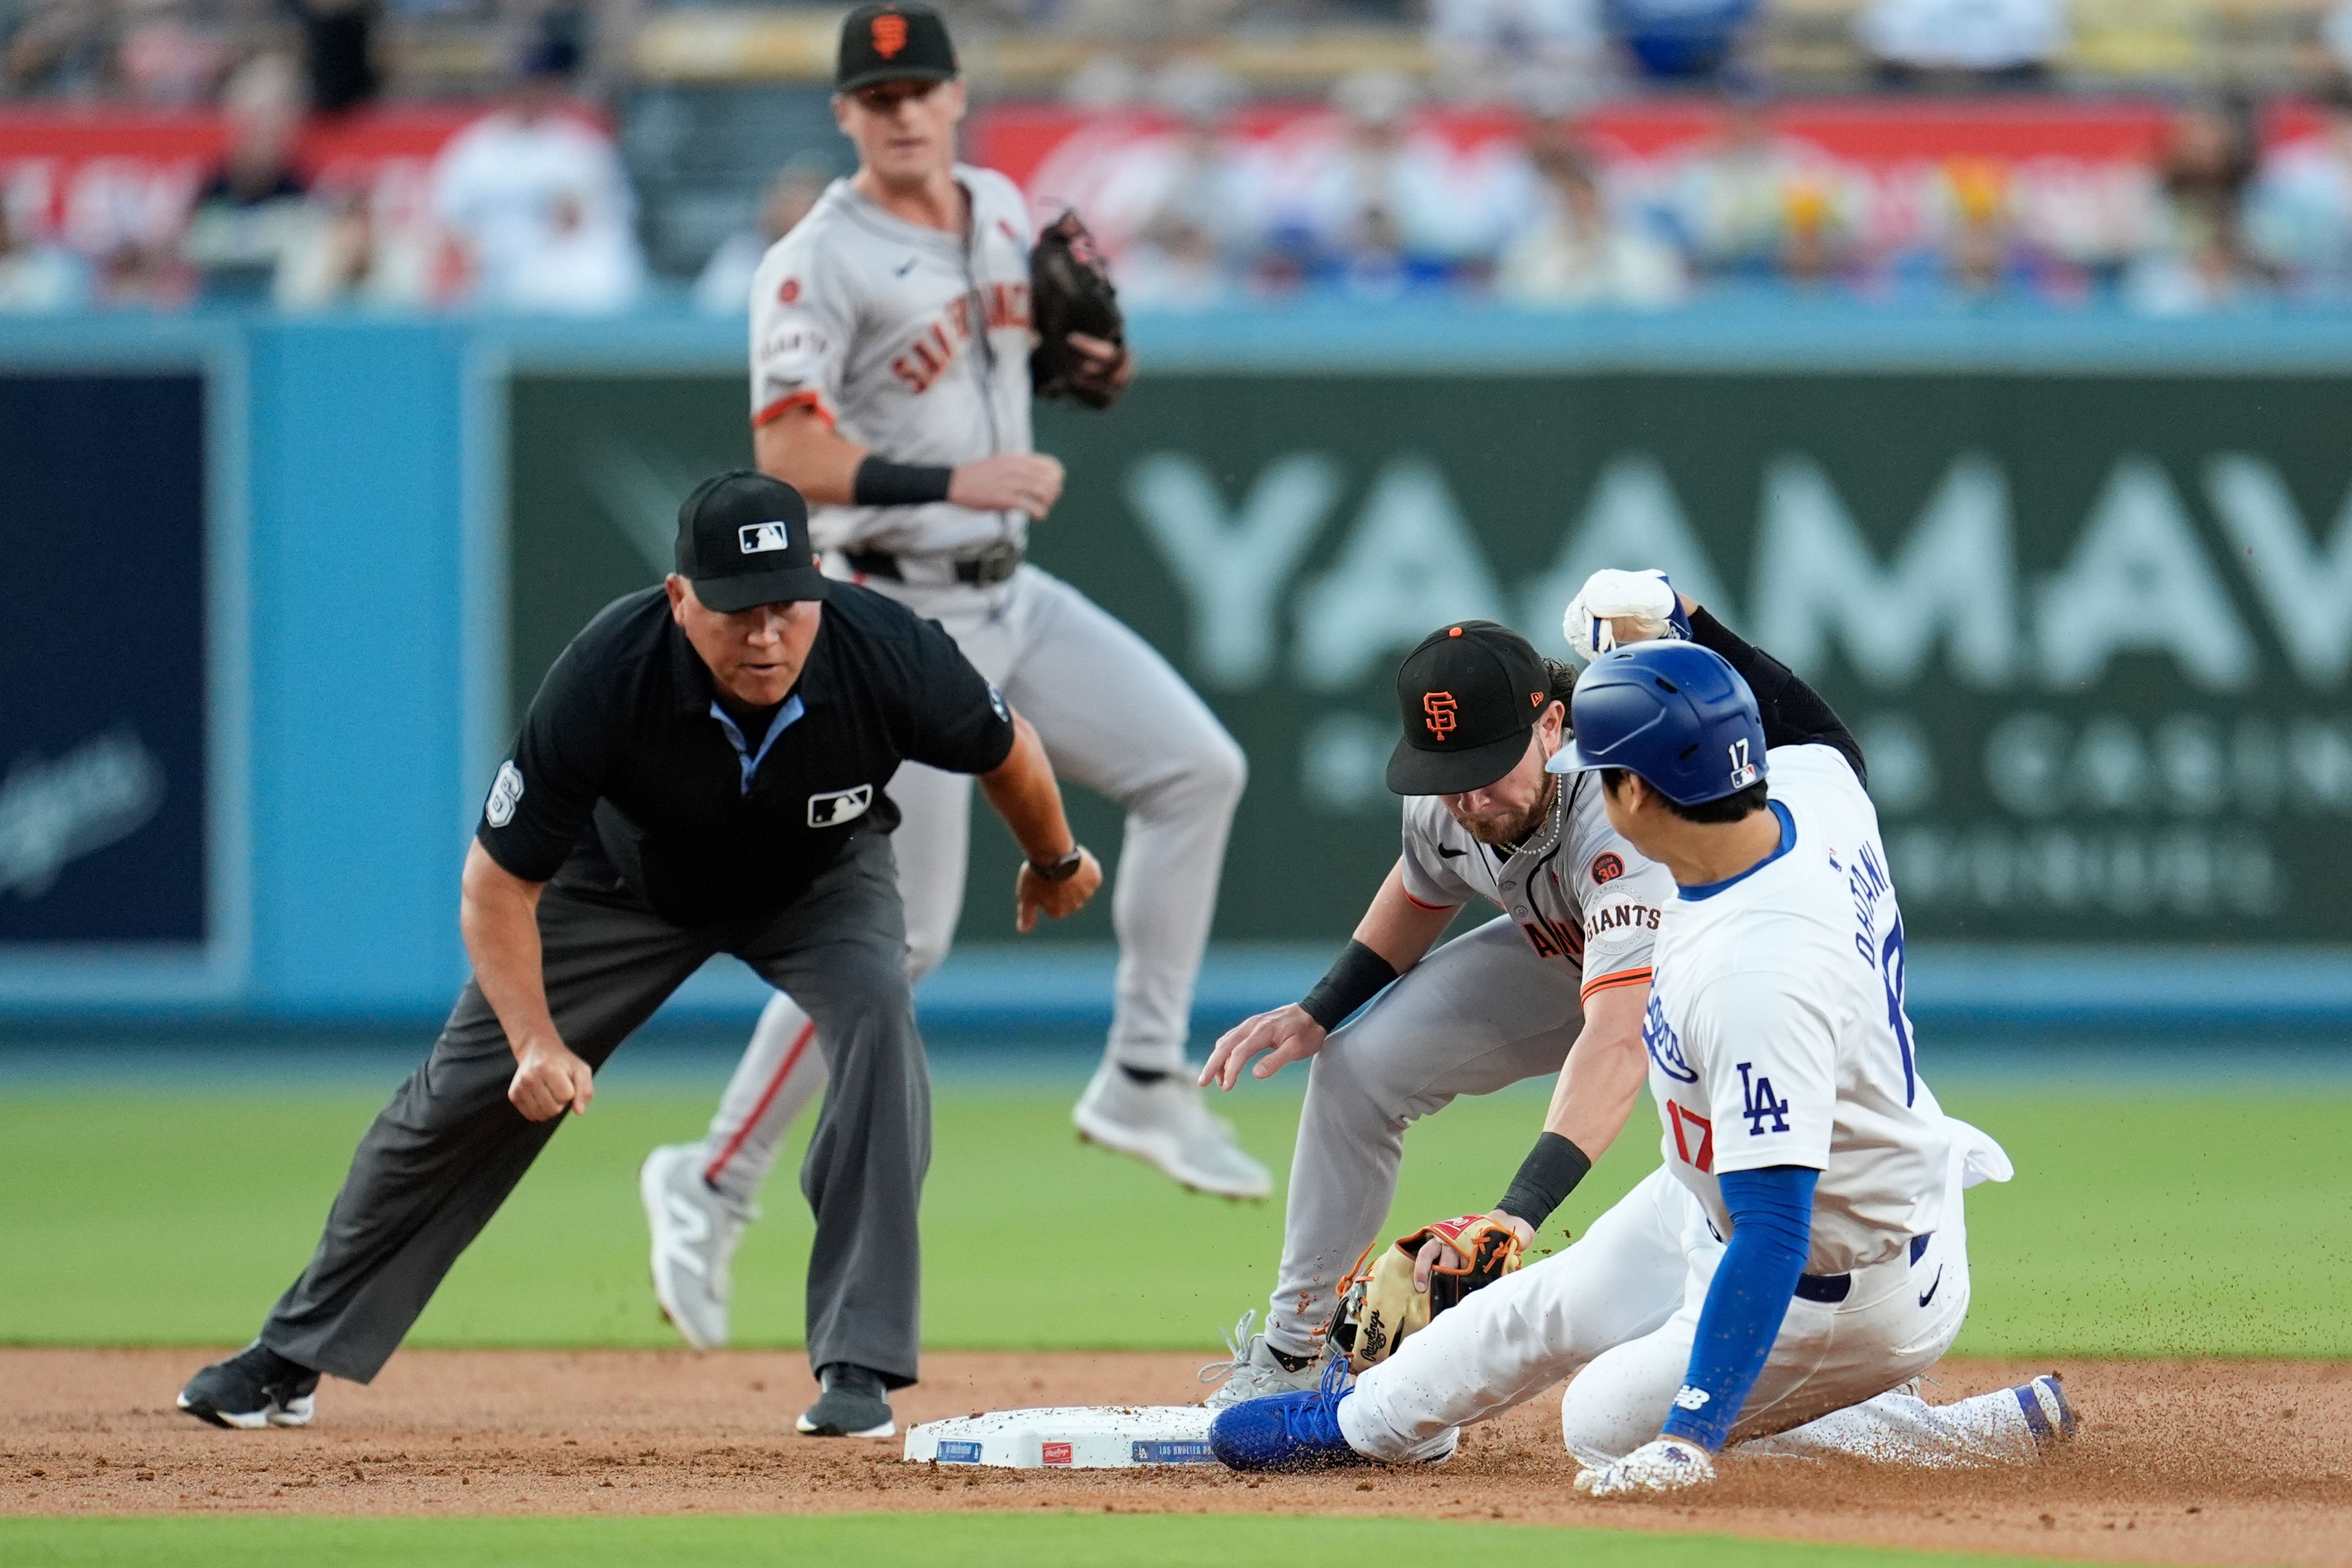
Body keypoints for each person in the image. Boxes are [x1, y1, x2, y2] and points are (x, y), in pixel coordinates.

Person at [176, 471, 1101, 1442]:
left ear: (820, 582)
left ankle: (858, 1367)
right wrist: (535, 1042)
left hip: (820, 883)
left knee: (878, 1011)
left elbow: (1009, 749)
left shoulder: (886, 648)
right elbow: (496, 885)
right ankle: (289, 1357)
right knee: (462, 1092)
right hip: (623, 889)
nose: (767, 635)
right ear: (679, 598)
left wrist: (1054, 858)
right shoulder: (608, 673)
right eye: (736, 611)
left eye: (788, 604)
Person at [635, 2, 1264, 1358]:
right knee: (902, 944)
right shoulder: (815, 262)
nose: (905, 108)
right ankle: (711, 1172)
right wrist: (949, 474)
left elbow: (1006, 359)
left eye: (922, 84)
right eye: (878, 94)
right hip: (891, 609)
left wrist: (1074, 363)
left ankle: (1145, 1075)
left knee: (1197, 767)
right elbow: (786, 450)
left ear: (961, 92)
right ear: (845, 115)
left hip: (1011, 586)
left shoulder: (995, 204)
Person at [1210, 571, 2075, 1487]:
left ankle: (1915, 1423)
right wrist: (1683, 617)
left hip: (1838, 1274)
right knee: (1539, 1313)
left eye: (1602, 765)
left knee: (1599, 1420)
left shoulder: (1750, 972)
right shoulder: (1812, 798)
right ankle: (1366, 1417)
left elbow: (1770, 1225)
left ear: (1627, 788)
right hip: (1743, 1190)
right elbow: (1820, 736)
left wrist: (1686, 1435)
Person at [1195, 617, 1673, 1408]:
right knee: (1356, 1068)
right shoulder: (1449, 799)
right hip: (1572, 953)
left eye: (1489, 763)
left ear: (1552, 724)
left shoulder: (1623, 807)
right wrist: (1322, 1010)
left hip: (1721, 991)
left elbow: (1621, 1039)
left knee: (1742, 1182)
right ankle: (1294, 1355)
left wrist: (1515, 1219)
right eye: (1448, 769)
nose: (1471, 795)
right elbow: (1425, 886)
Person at [428, 23, 645, 313]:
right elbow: (446, 222)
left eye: (539, 84)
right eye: (523, 84)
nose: (530, 94)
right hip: (489, 279)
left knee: (600, 273)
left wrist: (576, 220)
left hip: (557, 276)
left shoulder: (581, 149)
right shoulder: (473, 150)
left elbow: (610, 223)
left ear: (553, 87)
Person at [180, 53, 312, 304]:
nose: (263, 135)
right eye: (256, 122)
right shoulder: (216, 181)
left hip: (273, 294)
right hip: (219, 292)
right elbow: (194, 236)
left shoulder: (298, 183)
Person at [693, 162, 830, 315]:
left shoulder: (838, 260)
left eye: (810, 204)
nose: (799, 213)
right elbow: (717, 312)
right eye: (790, 201)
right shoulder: (740, 254)